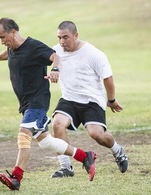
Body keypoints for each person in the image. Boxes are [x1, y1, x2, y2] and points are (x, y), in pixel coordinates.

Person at [0, 18, 97, 191]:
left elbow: (55, 56)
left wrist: (55, 69)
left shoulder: (33, 46)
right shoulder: (12, 48)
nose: (2, 40)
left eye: (2, 36)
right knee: (46, 142)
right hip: (27, 104)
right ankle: (85, 156)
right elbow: (8, 54)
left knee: (23, 135)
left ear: (13, 32)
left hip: (37, 102)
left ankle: (16, 177)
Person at [46, 21, 128, 178]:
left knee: (97, 135)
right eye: (59, 38)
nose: (62, 42)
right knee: (57, 124)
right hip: (69, 99)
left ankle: (117, 150)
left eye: (66, 37)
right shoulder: (56, 51)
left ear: (76, 35)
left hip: (92, 101)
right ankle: (66, 167)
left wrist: (111, 100)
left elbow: (108, 78)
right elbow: (33, 56)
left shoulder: (94, 54)